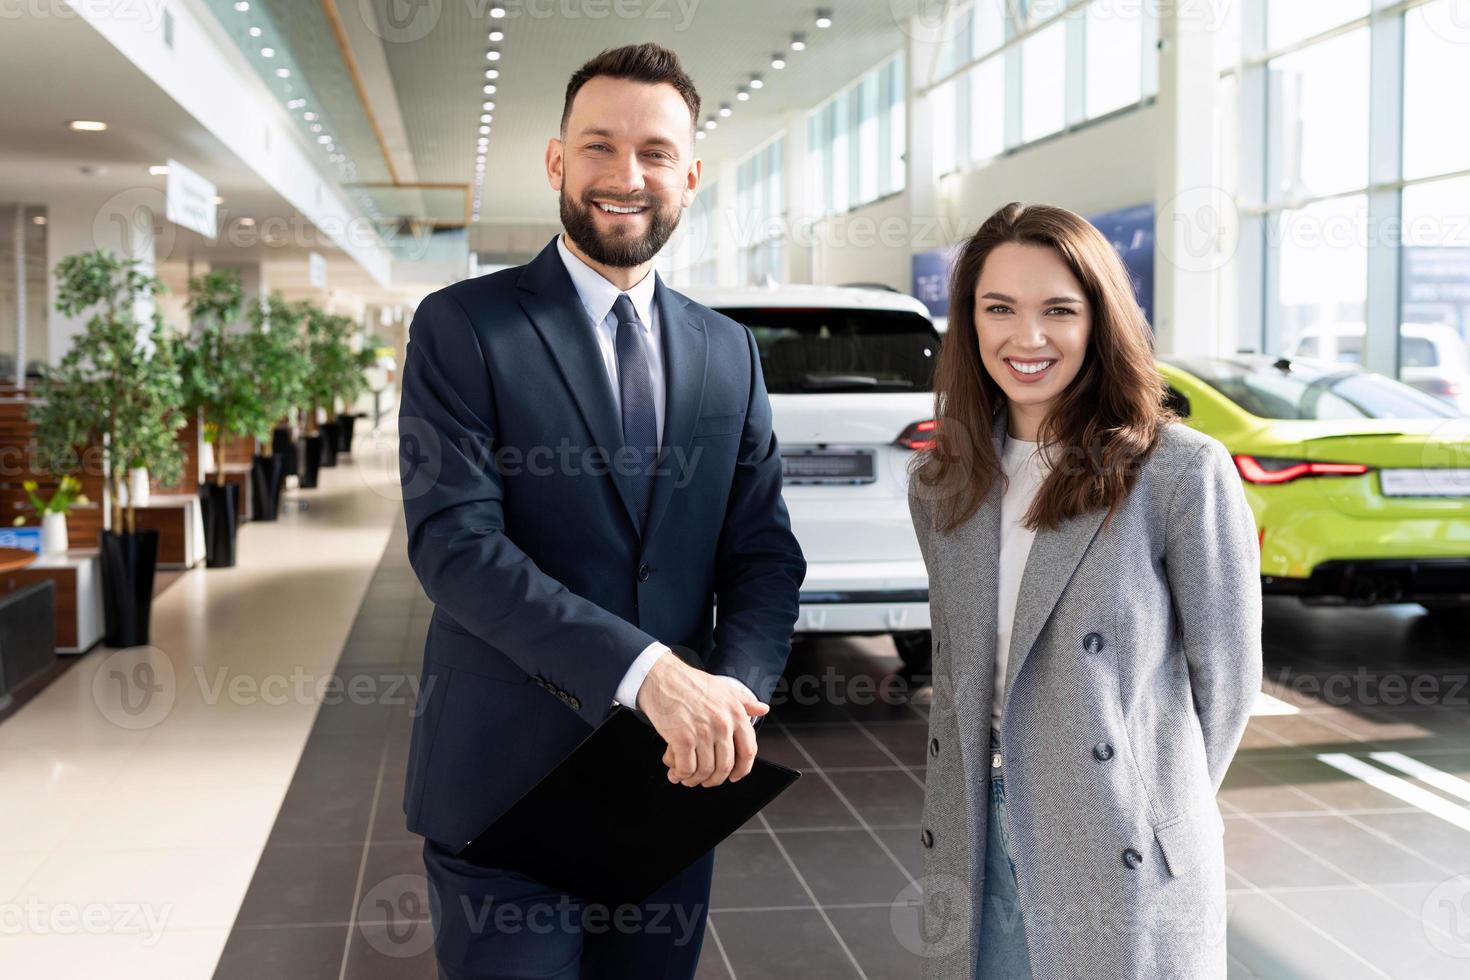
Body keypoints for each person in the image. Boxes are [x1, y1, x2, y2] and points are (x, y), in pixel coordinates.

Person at [397, 43, 805, 980]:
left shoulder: (728, 350)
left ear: (691, 175)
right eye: (599, 147)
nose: (627, 177)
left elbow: (763, 554)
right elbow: (456, 547)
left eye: (656, 152)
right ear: (556, 161)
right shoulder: (463, 328)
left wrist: (730, 694)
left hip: (671, 781)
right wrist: (650, 672)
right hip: (506, 792)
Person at [906, 202, 1261, 979]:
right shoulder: (942, 484)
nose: (1026, 338)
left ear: (1099, 320)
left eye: (1058, 311)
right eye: (998, 309)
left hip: (1116, 833)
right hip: (976, 824)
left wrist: (1158, 808)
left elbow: (1227, 682)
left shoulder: (1177, 472)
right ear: (968, 323)